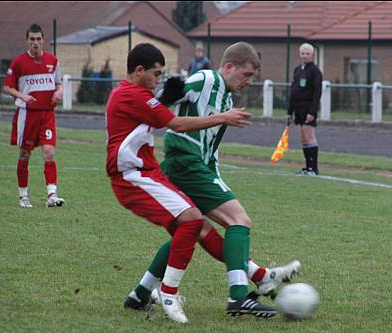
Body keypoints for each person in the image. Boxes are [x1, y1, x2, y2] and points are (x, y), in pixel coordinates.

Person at [129, 41, 301, 318]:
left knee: (191, 231)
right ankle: (239, 297)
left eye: (253, 77)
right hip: (186, 162)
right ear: (229, 67)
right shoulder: (207, 78)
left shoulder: (227, 99)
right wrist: (169, 93)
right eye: (246, 74)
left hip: (194, 166)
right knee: (239, 221)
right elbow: (168, 97)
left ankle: (140, 293)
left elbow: (210, 146)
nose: (249, 81)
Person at [106, 43, 252, 324]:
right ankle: (169, 292)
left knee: (194, 227)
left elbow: (158, 113)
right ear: (139, 71)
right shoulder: (131, 95)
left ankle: (141, 295)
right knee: (192, 222)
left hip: (149, 172)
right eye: (156, 74)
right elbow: (176, 124)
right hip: (132, 176)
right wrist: (223, 117)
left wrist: (162, 98)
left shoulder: (136, 95)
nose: (159, 80)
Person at [3, 24, 65, 208]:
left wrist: (59, 92)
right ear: (27, 40)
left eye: (38, 39)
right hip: (27, 115)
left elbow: (59, 83)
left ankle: (52, 195)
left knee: (49, 152)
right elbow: (7, 86)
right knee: (24, 154)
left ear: (43, 40)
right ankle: (23, 196)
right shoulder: (19, 62)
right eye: (32, 39)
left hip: (47, 114)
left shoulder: (53, 61)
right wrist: (22, 96)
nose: (35, 43)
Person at [287, 43, 323, 176]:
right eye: (303, 53)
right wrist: (289, 111)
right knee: (303, 138)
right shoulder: (297, 70)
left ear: (312, 55)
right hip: (298, 109)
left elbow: (317, 93)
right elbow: (293, 91)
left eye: (308, 53)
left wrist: (312, 112)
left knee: (310, 137)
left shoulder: (315, 71)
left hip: (308, 109)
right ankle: (307, 167)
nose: (305, 56)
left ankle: (314, 168)